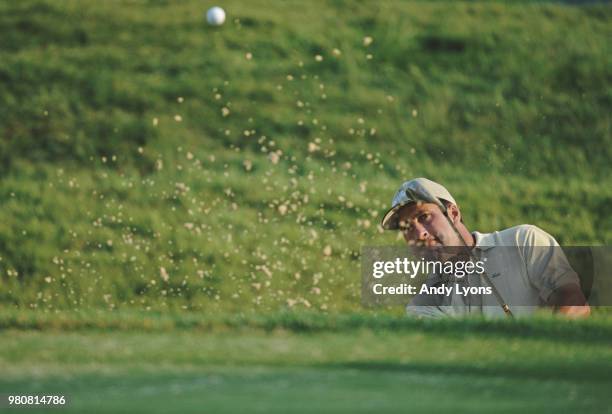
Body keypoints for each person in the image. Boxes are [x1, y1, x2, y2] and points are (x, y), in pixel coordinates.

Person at [380, 177, 590, 318]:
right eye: (407, 228)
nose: (418, 234)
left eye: (424, 217)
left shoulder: (522, 241)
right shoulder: (423, 305)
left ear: (453, 214)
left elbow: (573, 302)